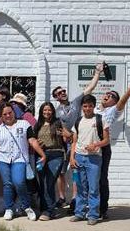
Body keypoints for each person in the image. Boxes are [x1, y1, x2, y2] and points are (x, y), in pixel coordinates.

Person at [86, 70, 130, 219]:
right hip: (88, 147)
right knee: (88, 178)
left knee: (101, 178)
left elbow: (123, 101)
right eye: (107, 93)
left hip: (102, 147)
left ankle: (102, 210)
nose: (108, 95)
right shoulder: (94, 108)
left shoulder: (112, 111)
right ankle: (88, 207)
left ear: (114, 101)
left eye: (112, 96)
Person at [53, 63, 101, 211]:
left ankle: (74, 199)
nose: (63, 93)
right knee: (61, 171)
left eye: (64, 91)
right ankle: (61, 197)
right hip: (62, 145)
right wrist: (63, 134)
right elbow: (55, 128)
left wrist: (97, 72)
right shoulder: (55, 111)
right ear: (55, 97)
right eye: (60, 93)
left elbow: (90, 88)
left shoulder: (76, 102)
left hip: (76, 141)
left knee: (75, 170)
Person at [0, 102, 46, 221]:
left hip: (20, 158)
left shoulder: (24, 124)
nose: (8, 116)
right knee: (7, 184)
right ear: (1, 116)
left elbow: (32, 140)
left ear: (14, 112)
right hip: (2, 159)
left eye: (10, 113)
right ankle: (9, 208)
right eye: (5, 114)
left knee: (19, 182)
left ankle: (27, 206)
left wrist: (42, 154)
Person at [69, 95, 110, 225]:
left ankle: (93, 215)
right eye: (85, 106)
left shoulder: (100, 119)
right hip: (79, 157)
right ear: (82, 107)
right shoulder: (78, 121)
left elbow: (106, 140)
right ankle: (79, 213)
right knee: (80, 187)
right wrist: (72, 158)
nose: (87, 108)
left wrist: (95, 145)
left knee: (93, 188)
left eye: (90, 106)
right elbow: (74, 141)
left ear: (94, 106)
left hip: (94, 158)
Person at [32, 102, 70, 221]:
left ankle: (48, 211)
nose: (47, 112)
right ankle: (46, 209)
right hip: (41, 155)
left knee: (50, 182)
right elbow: (33, 140)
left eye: (49, 110)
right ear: (41, 112)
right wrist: (38, 143)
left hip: (56, 154)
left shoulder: (58, 122)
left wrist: (65, 135)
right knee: (42, 183)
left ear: (53, 111)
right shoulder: (38, 124)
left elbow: (68, 137)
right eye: (44, 110)